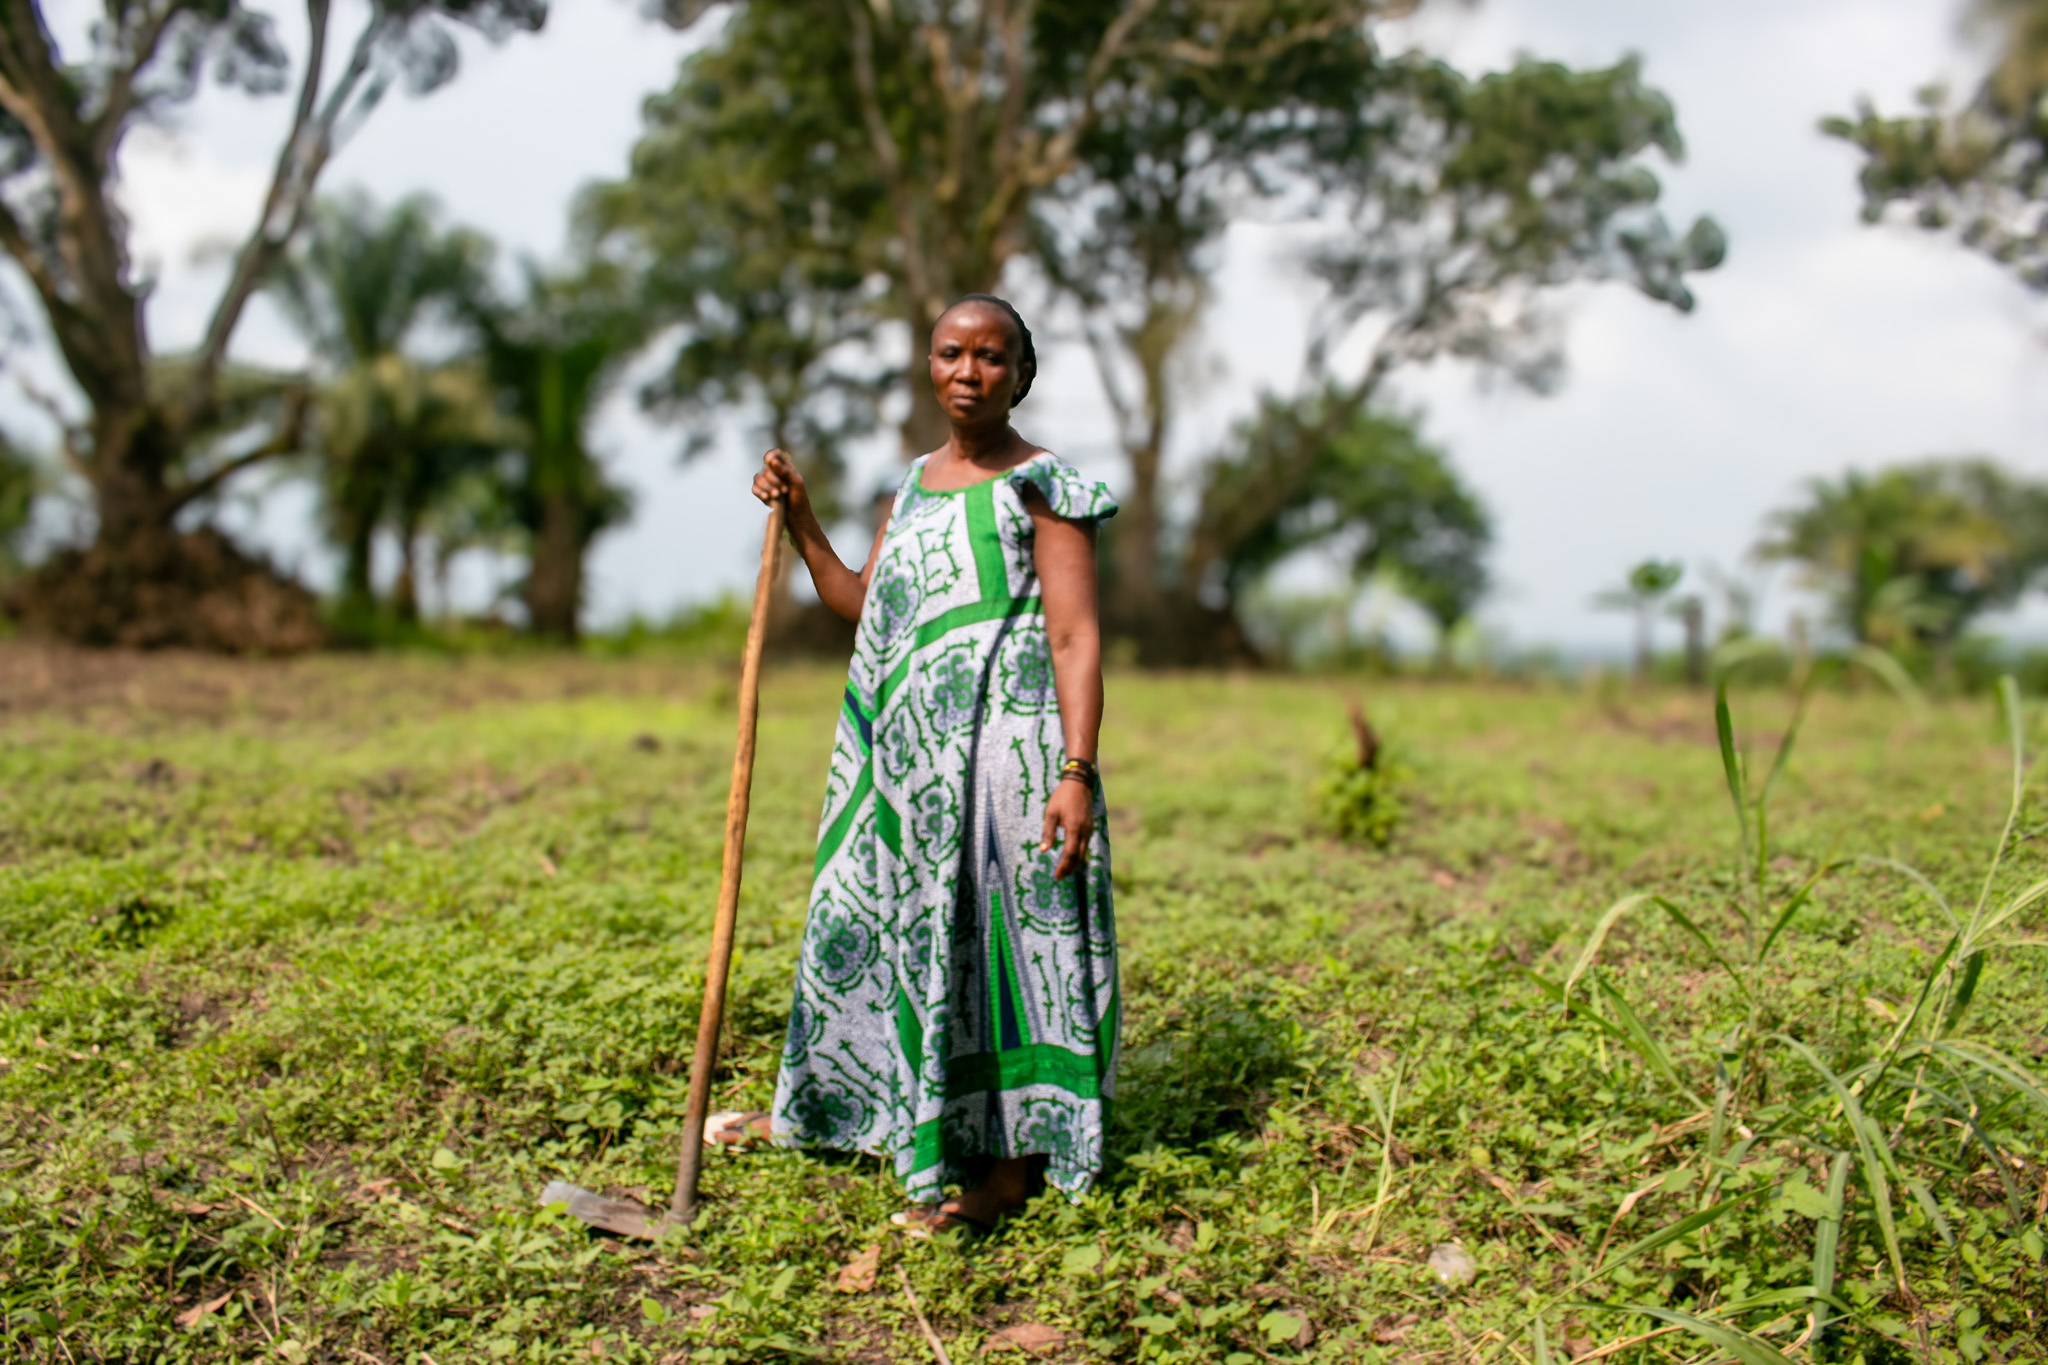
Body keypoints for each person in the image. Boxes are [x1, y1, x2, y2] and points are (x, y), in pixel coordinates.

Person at [725, 294, 1120, 1234]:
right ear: (929, 365)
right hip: (906, 775)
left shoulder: (1045, 486)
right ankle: (870, 1115)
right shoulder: (908, 485)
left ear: (1021, 374)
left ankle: (1005, 1175)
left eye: (992, 357)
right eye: (952, 353)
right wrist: (804, 519)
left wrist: (1076, 769)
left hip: (1009, 770)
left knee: (1007, 956)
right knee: (891, 932)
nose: (969, 372)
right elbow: (867, 608)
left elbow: (1073, 636)